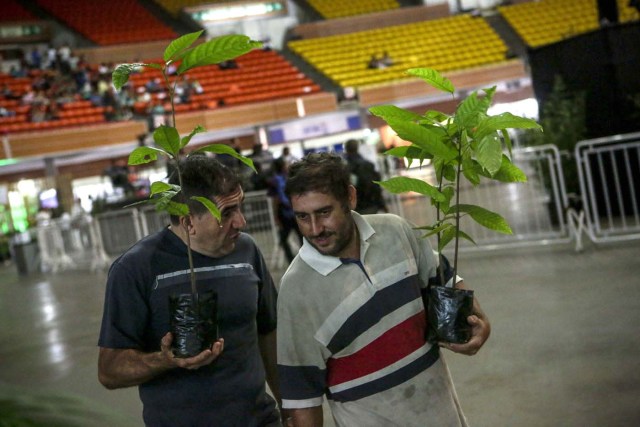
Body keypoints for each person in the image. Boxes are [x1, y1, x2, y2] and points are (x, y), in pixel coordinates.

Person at [277, 152, 491, 426]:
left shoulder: (396, 231)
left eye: (324, 212)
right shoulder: (296, 290)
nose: (315, 229)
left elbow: (445, 279)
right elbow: (302, 397)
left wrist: (480, 322)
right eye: (303, 217)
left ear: (350, 198)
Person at [98, 155, 284, 426]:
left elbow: (269, 332)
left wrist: (290, 406)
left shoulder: (247, 251)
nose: (241, 222)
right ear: (188, 222)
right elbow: (109, 370)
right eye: (227, 213)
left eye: (240, 207)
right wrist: (165, 360)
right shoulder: (135, 269)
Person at [268, 157, 302, 263]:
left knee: (283, 240)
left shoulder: (274, 181)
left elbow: (275, 200)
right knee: (302, 237)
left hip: (284, 214)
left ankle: (291, 260)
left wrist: (275, 217)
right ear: (283, 166)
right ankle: (306, 258)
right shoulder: (290, 178)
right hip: (295, 212)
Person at [344, 139, 387, 214]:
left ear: (346, 150)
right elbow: (375, 185)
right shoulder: (367, 165)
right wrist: (381, 204)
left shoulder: (343, 169)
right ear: (357, 148)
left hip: (355, 208)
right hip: (371, 204)